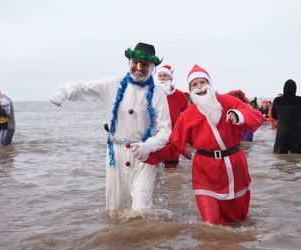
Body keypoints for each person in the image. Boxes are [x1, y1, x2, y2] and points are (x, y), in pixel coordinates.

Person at [135, 64, 264, 225]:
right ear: (190, 89)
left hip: (235, 167)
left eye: (202, 82)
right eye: (194, 84)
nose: (199, 87)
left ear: (209, 83)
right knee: (211, 225)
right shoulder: (189, 115)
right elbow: (175, 146)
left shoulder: (228, 101)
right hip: (205, 172)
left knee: (238, 223)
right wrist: (147, 152)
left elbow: (256, 116)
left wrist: (239, 115)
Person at [50, 42, 171, 211]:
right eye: (135, 63)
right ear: (129, 62)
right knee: (116, 207)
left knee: (142, 208)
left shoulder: (158, 94)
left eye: (144, 65)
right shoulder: (111, 84)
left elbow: (165, 130)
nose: (138, 68)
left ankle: (145, 236)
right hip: (116, 154)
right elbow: (83, 87)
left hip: (143, 155)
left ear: (151, 67)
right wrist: (64, 91)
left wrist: (149, 146)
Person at [156, 64, 189, 168]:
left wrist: (183, 134)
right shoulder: (151, 93)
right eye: (160, 75)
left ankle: (173, 185)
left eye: (165, 76)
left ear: (171, 78)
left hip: (173, 137)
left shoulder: (180, 95)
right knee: (153, 168)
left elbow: (188, 115)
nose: (162, 78)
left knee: (172, 170)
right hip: (154, 136)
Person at [271, 79, 301, 154]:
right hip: (296, 134)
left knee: (280, 157)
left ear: (284, 88)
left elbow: (274, 116)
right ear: (295, 89)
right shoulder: (300, 100)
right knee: (296, 157)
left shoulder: (277, 100)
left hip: (282, 133)